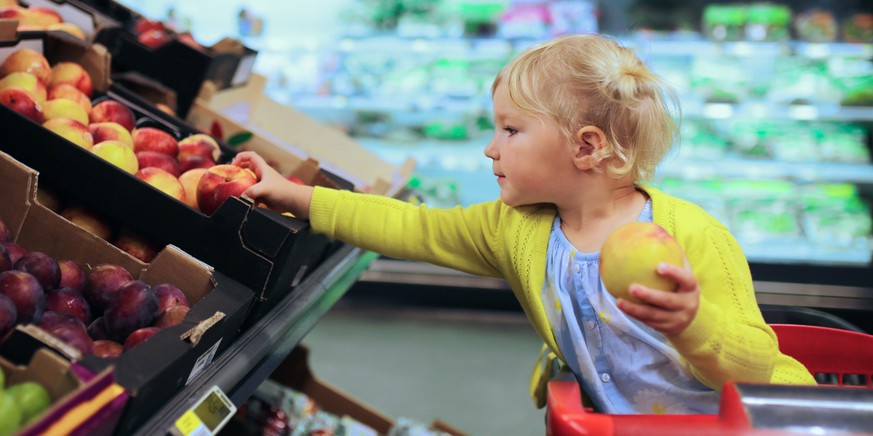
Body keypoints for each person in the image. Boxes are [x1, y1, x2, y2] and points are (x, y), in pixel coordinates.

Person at [233, 34, 815, 415]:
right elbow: (414, 228)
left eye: (511, 131)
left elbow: (755, 365)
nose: (491, 149)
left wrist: (692, 322)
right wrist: (298, 196)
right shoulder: (521, 228)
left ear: (585, 147)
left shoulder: (693, 238)